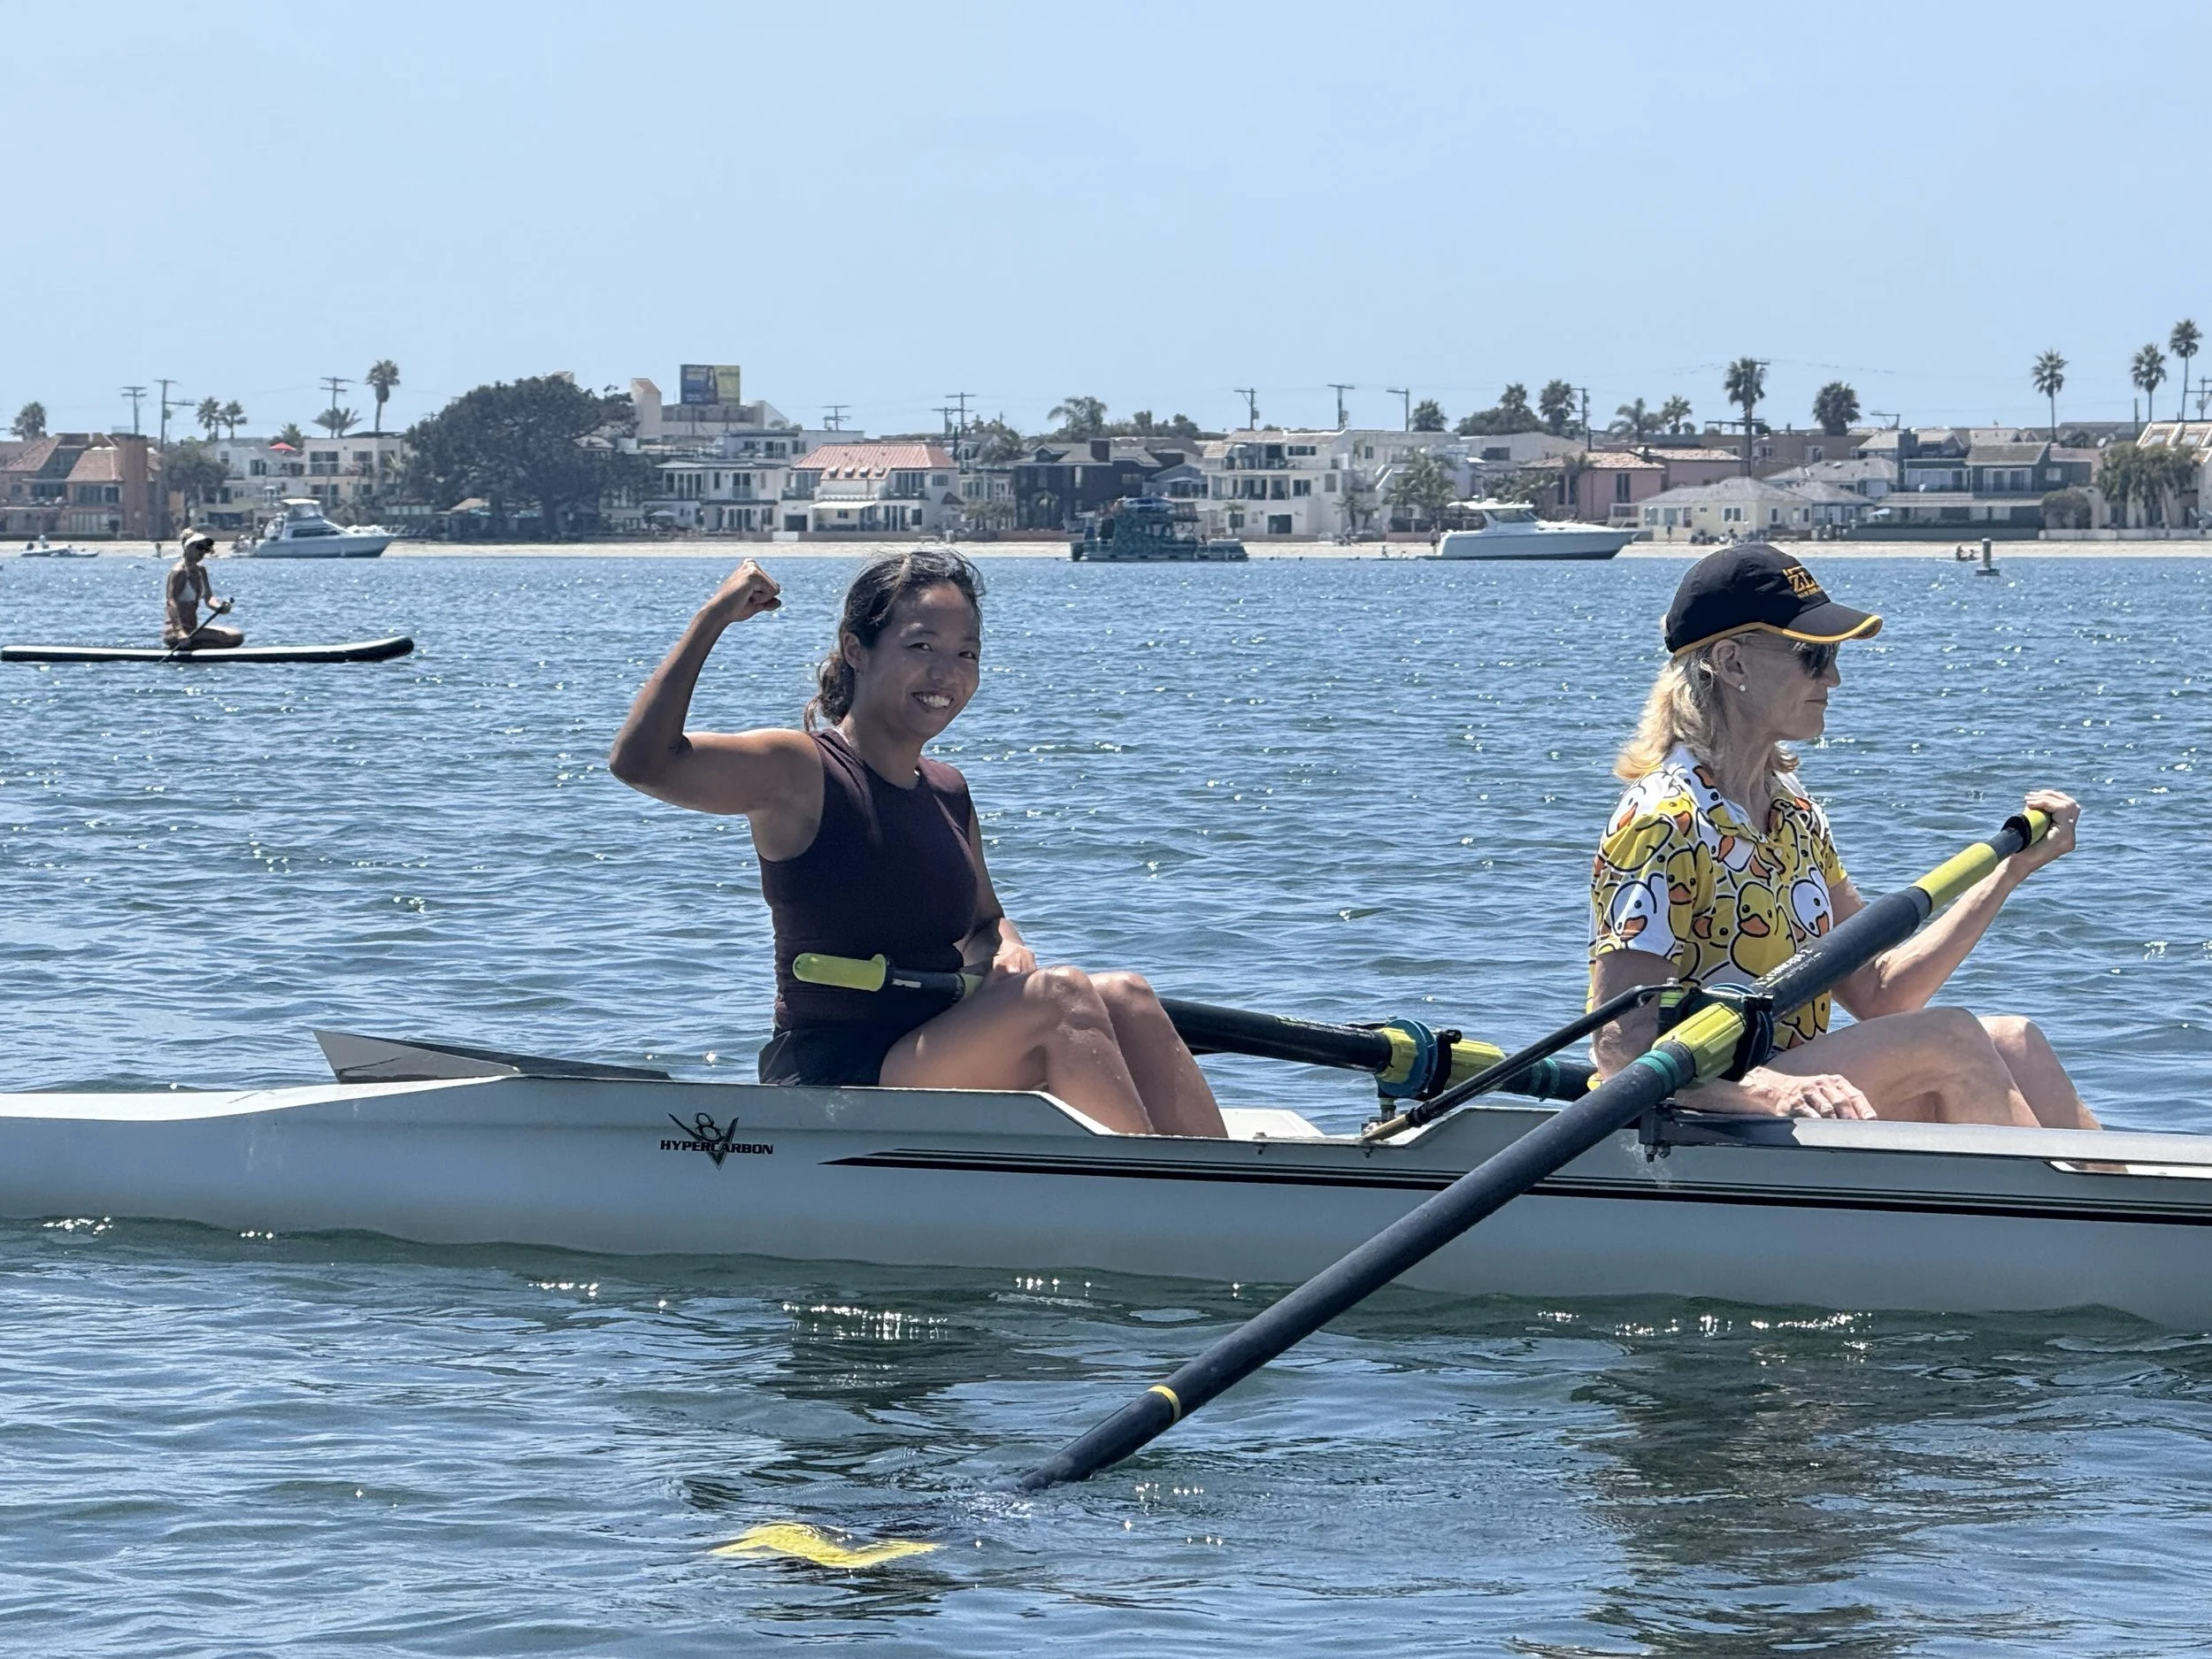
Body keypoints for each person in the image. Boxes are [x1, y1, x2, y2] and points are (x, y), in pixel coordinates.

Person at [608, 551, 1227, 1138]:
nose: (946, 673)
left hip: (935, 1045)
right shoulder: (799, 770)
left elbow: (987, 921)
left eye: (966, 653)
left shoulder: (948, 790)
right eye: (922, 647)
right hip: (835, 1073)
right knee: (1060, 995)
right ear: (857, 650)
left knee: (1126, 994)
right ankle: (1164, 1205)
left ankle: (1234, 1199)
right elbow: (642, 762)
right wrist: (713, 617)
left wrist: (1007, 945)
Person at [1587, 542, 2099, 1129]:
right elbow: (1621, 1046)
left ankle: (2125, 1208)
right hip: (1712, 1114)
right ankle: (2039, 1213)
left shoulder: (1795, 815)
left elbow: (1879, 992)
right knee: (1949, 1039)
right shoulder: (1662, 821)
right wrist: (1768, 1093)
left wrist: (2009, 874)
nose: (1834, 676)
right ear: (1732, 663)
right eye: (1812, 656)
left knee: (2015, 1040)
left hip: (1789, 1091)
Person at [165, 530, 242, 649]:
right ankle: (185, 645)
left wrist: (220, 607)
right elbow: (171, 601)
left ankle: (196, 647)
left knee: (237, 636)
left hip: (193, 630)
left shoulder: (201, 570)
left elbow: (209, 598)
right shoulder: (179, 572)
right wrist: (179, 632)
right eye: (199, 547)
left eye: (206, 549)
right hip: (177, 633)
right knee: (229, 638)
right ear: (188, 547)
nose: (202, 552)